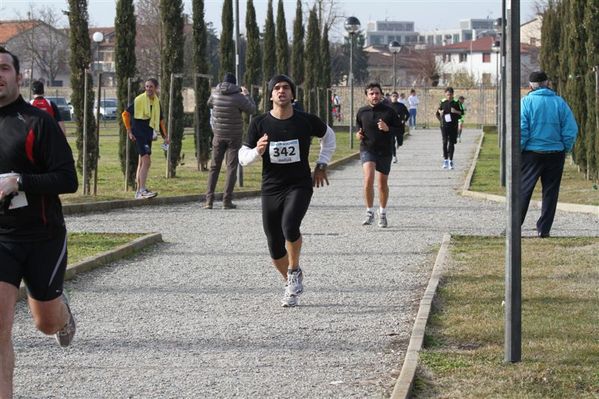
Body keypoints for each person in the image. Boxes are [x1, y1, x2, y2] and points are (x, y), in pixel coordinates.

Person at [0, 47, 79, 398]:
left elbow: (67, 179)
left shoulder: (36, 122)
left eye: (3, 68)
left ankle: (61, 313)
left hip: (42, 235)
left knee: (45, 323)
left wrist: (20, 181)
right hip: (1, 239)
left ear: (18, 76)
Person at [238, 74, 335, 307]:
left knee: (289, 226)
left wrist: (321, 164)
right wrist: (257, 152)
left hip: (299, 184)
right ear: (270, 95)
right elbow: (242, 157)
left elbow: (329, 138)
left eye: (286, 88)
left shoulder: (306, 121)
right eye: (277, 88)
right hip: (272, 186)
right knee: (273, 242)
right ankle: (291, 283)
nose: (282, 91)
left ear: (292, 94)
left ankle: (293, 270)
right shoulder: (259, 123)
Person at [520, 71, 578, 238]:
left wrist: (520, 150)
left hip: (531, 153)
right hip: (555, 153)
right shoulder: (559, 102)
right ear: (547, 83)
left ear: (531, 85)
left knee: (524, 190)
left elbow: (522, 130)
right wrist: (564, 148)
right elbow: (570, 129)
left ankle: (515, 226)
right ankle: (544, 229)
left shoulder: (526, 102)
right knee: (551, 192)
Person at [204, 72, 256, 209]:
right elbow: (252, 110)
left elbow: (209, 104)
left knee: (214, 167)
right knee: (231, 167)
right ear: (235, 83)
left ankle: (209, 200)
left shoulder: (215, 94)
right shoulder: (239, 97)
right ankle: (226, 201)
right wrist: (247, 95)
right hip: (234, 136)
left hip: (218, 134)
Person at [356, 82, 401, 228]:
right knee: (368, 178)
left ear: (381, 94)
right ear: (367, 96)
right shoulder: (362, 112)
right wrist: (358, 134)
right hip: (367, 149)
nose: (374, 96)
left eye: (377, 93)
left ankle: (382, 213)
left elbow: (400, 129)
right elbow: (359, 128)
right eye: (371, 93)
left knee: (382, 184)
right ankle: (369, 212)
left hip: (385, 151)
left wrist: (388, 128)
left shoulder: (389, 112)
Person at [121, 78, 169, 199]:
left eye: (151, 86)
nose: (148, 89)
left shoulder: (157, 102)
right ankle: (142, 189)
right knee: (147, 161)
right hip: (139, 134)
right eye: (146, 86)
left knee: (142, 163)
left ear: (156, 88)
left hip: (148, 134)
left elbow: (161, 121)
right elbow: (125, 114)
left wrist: (165, 136)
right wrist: (129, 131)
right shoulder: (139, 100)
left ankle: (138, 192)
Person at [436, 87, 463, 170]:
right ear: (445, 94)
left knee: (451, 143)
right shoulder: (442, 102)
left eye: (450, 95)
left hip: (453, 125)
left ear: (453, 94)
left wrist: (455, 111)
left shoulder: (456, 103)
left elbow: (461, 113)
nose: (449, 96)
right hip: (444, 126)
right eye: (447, 95)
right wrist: (440, 115)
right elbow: (437, 113)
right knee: (444, 142)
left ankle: (451, 161)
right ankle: (445, 160)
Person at [389, 91, 410, 163]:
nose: (394, 97)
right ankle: (394, 156)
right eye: (393, 96)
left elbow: (407, 114)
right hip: (391, 126)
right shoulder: (388, 106)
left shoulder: (401, 105)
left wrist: (404, 120)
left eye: (395, 96)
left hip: (400, 126)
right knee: (392, 142)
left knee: (400, 141)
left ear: (398, 97)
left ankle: (399, 143)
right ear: (390, 97)